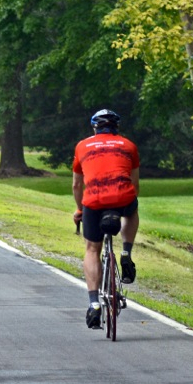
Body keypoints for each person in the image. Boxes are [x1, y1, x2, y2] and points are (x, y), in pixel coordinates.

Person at [72, 109, 140, 330]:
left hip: (93, 201)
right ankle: (126, 252)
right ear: (116, 128)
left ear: (94, 128)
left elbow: (76, 185)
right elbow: (135, 184)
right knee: (132, 209)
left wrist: (78, 210)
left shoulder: (82, 146)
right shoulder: (129, 146)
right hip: (122, 199)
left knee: (92, 249)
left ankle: (94, 305)